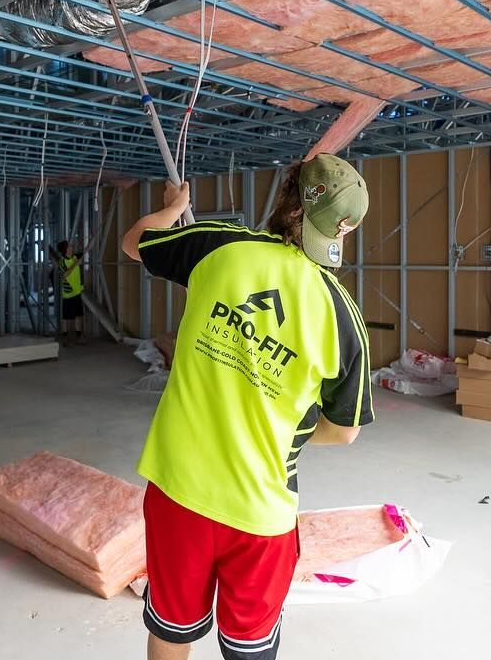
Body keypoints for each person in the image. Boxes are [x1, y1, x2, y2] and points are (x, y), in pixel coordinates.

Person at [121, 154, 373, 660]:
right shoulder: (342, 315)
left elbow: (133, 244)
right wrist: (288, 436)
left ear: (285, 196)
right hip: (261, 512)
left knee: (172, 628)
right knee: (249, 648)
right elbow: (344, 431)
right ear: (340, 232)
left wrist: (176, 208)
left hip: (178, 490)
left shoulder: (219, 245)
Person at [50, 240, 86, 345]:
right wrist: (76, 264)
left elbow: (86, 250)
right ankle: (65, 337)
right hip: (68, 294)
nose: (71, 247)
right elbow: (65, 274)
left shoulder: (75, 257)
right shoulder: (62, 262)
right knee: (67, 317)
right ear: (65, 250)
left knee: (79, 315)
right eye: (69, 246)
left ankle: (79, 336)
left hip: (77, 292)